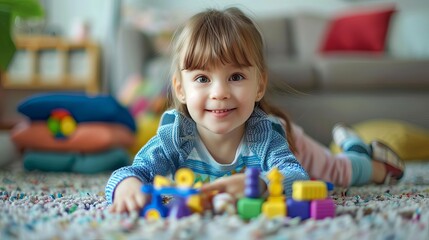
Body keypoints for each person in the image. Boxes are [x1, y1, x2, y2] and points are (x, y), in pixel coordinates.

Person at [105, 7, 404, 214]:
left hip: (293, 142)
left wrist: (258, 183)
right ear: (180, 89)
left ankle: (367, 157)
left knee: (337, 171)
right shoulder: (175, 136)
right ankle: (350, 145)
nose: (219, 92)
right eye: (202, 79)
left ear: (259, 85)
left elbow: (296, 176)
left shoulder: (265, 135)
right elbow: (133, 171)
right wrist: (127, 187)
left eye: (235, 77)